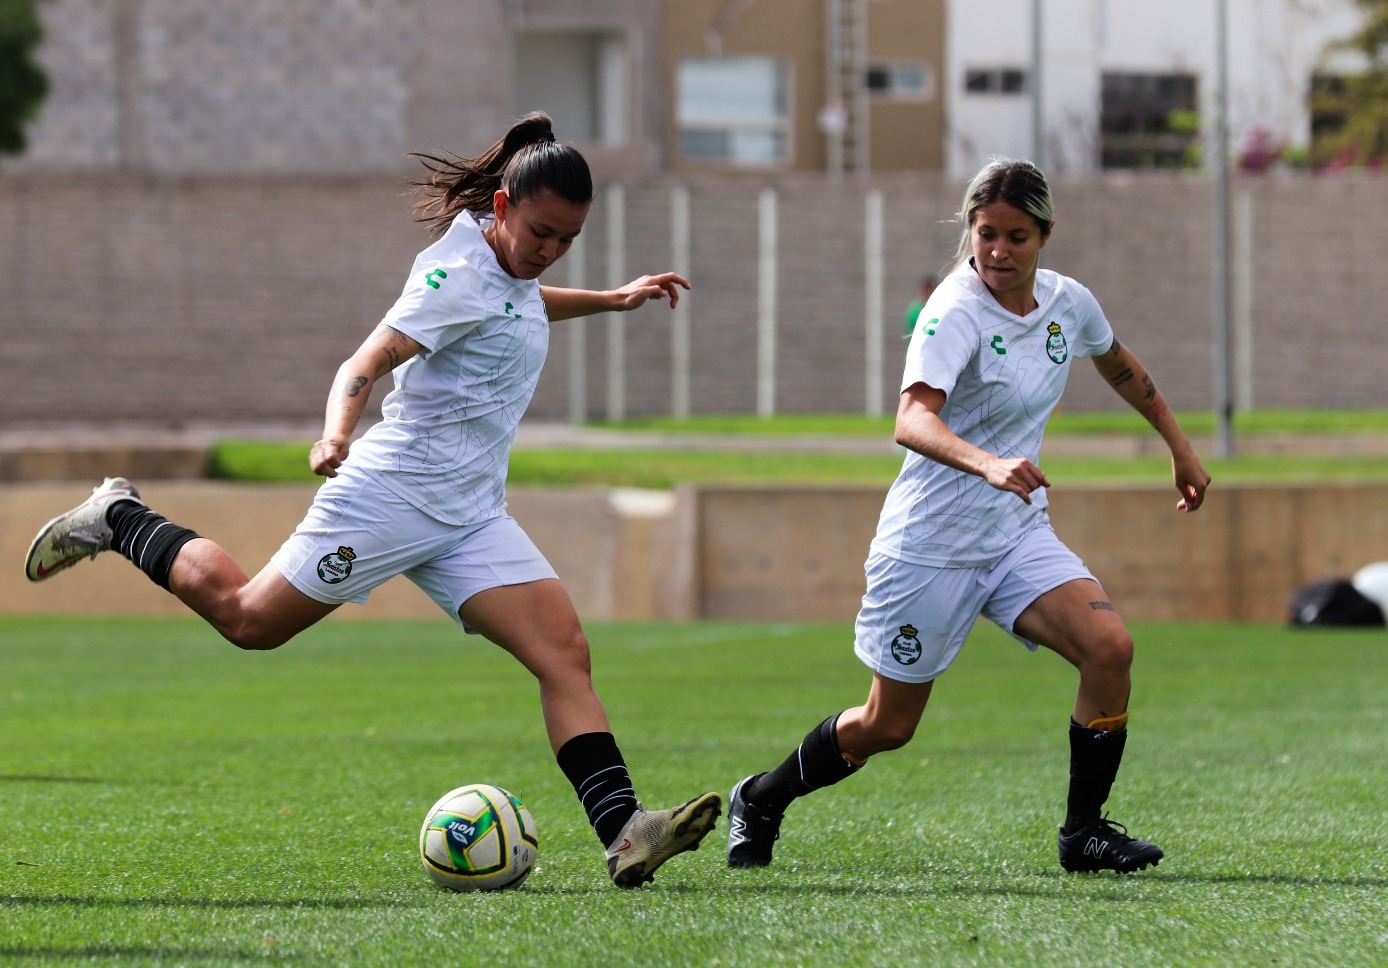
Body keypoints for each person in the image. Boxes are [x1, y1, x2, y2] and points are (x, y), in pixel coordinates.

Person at [25, 111, 721, 889]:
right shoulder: (452, 276)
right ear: (500, 210)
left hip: (471, 515)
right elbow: (369, 358)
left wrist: (610, 298)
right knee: (250, 620)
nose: (550, 251)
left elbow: (520, 301)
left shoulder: (510, 273)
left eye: (567, 238)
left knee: (564, 654)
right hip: (389, 495)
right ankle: (120, 516)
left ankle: (626, 830)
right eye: (540, 234)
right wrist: (334, 435)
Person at [726, 157, 1210, 875]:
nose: (998, 252)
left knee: (1110, 648)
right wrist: (987, 463)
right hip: (930, 545)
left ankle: (1084, 834)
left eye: (1016, 236)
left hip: (1014, 535)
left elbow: (1117, 364)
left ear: (1045, 233)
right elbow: (911, 420)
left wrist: (1179, 445)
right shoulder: (952, 311)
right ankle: (762, 798)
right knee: (886, 727)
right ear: (971, 231)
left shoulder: (1066, 302)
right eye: (986, 234)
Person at [903, 274, 937, 340]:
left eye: (931, 290)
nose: (929, 292)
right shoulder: (915, 311)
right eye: (927, 289)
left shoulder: (937, 307)